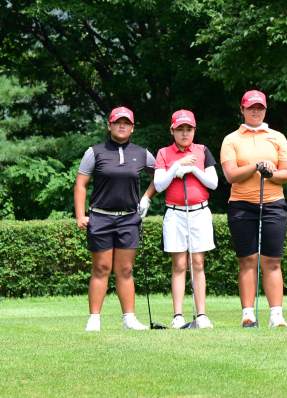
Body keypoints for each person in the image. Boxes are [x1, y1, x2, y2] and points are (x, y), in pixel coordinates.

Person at [74, 106, 158, 331]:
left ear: (132, 127)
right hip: (100, 217)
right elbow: (81, 184)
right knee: (101, 268)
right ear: (109, 125)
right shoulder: (95, 151)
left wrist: (147, 197)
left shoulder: (142, 153)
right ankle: (94, 320)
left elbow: (160, 175)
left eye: (127, 123)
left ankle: (128, 319)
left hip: (129, 219)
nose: (122, 126)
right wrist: (80, 214)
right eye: (118, 122)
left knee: (125, 270)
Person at [220, 90, 287, 327]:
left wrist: (270, 173)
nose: (256, 111)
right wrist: (255, 166)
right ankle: (248, 314)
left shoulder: (277, 137)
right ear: (242, 110)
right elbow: (231, 175)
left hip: (273, 204)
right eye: (251, 107)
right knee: (247, 260)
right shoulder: (231, 139)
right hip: (241, 206)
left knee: (272, 261)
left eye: (260, 107)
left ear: (265, 109)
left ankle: (276, 315)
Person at [154, 110, 218, 329]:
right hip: (175, 213)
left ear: (194, 130)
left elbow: (213, 183)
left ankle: (201, 315)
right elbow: (160, 185)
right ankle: (178, 315)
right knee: (179, 263)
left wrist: (192, 169)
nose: (184, 133)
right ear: (172, 130)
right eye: (179, 129)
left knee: (198, 262)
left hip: (200, 212)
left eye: (188, 129)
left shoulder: (203, 151)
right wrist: (177, 166)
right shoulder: (163, 153)